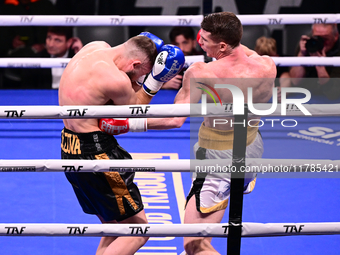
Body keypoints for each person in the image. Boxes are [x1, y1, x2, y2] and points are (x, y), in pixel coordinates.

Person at [99, 12, 276, 255]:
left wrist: (126, 124)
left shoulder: (202, 72)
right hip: (251, 149)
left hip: (217, 158)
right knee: (210, 225)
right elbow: (239, 51)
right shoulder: (267, 65)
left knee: (195, 245)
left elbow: (174, 119)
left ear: (222, 45)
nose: (199, 42)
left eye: (205, 39)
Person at [59, 33, 185, 255]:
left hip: (68, 147)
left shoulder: (95, 46)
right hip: (96, 153)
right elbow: (135, 112)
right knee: (139, 230)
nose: (138, 79)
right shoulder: (115, 80)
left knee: (114, 227)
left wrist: (139, 78)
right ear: (135, 63)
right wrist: (155, 81)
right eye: (141, 74)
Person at [289, 23, 340, 100]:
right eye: (317, 38)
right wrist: (302, 55)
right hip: (306, 95)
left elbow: (332, 93)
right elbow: (295, 81)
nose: (321, 42)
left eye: (325, 39)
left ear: (336, 36)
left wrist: (320, 65)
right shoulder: (307, 43)